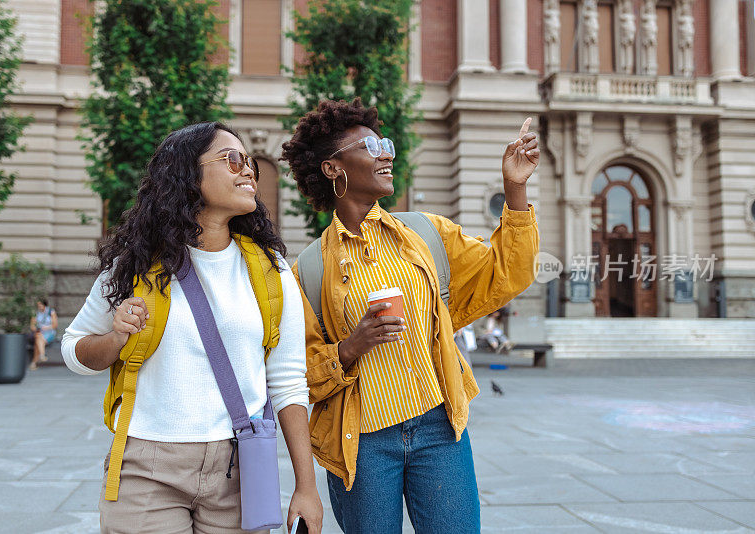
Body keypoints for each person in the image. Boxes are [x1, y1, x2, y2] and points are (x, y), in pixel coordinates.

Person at [281, 98, 540, 534]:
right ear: (332, 169)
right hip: (361, 443)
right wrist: (350, 347)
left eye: (386, 143)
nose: (386, 153)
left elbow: (507, 271)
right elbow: (300, 371)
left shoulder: (426, 232)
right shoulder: (308, 270)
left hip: (438, 428)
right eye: (370, 145)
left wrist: (515, 190)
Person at [62, 122, 323, 534]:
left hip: (239, 471)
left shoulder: (271, 270)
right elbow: (73, 350)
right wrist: (115, 339)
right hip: (146, 470)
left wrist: (306, 488)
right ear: (186, 174)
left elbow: (289, 382)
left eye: (250, 163)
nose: (248, 172)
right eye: (232, 159)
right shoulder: (136, 263)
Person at [29, 298, 58, 370]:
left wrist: (47, 327)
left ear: (44, 304)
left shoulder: (51, 312)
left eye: (40, 305)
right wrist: (36, 328)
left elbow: (55, 325)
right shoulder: (36, 313)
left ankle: (34, 362)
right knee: (38, 337)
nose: (39, 306)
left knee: (37, 341)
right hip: (39, 332)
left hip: (49, 333)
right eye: (38, 305)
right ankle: (42, 355)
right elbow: (32, 326)